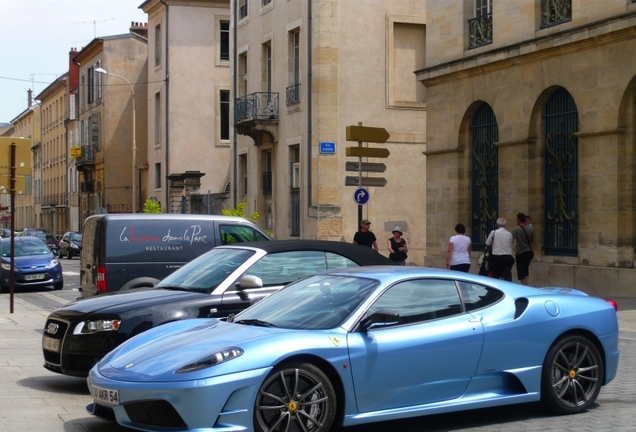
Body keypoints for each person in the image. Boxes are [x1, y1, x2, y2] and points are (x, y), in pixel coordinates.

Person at [511, 212, 534, 285]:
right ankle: (527, 284)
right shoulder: (530, 229)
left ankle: (523, 285)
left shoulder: (516, 229)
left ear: (518, 219)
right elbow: (532, 241)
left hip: (520, 252)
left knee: (521, 270)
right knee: (526, 269)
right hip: (528, 251)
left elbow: (511, 240)